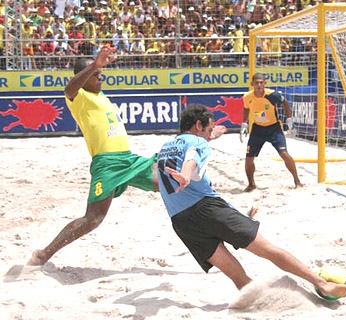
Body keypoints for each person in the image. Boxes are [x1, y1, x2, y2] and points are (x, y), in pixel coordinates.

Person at [27, 48, 226, 266]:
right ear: (83, 77)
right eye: (95, 74)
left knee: (173, 179)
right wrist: (94, 64)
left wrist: (205, 136)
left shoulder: (100, 95)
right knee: (93, 219)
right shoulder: (79, 97)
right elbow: (69, 89)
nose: (100, 76)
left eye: (100, 73)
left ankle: (220, 223)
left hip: (128, 160)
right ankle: (44, 254)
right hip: (108, 164)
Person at [157, 104, 346, 299]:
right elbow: (191, 158)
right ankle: (322, 284)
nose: (208, 135)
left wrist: (210, 136)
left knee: (238, 278)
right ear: (198, 126)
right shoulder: (198, 143)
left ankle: (266, 302)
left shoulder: (165, 148)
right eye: (207, 129)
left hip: (181, 222)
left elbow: (181, 159)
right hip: (208, 210)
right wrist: (186, 175)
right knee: (269, 251)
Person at [240, 73, 302, 192]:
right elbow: (246, 108)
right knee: (248, 158)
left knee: (284, 154)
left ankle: (297, 181)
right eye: (256, 83)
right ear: (252, 84)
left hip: (274, 128)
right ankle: (251, 184)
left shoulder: (272, 95)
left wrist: (289, 119)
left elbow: (285, 103)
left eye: (261, 82)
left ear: (265, 83)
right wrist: (244, 123)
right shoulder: (247, 97)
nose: (259, 85)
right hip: (257, 129)